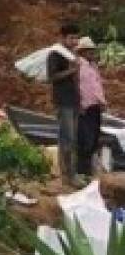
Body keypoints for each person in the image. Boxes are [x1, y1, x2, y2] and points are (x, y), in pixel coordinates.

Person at [48, 24, 82, 186]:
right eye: (71, 38)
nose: (75, 41)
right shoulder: (56, 54)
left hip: (73, 100)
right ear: (62, 37)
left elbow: (76, 81)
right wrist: (71, 70)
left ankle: (71, 174)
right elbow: (52, 77)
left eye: (76, 37)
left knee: (72, 138)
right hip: (63, 101)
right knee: (66, 138)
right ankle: (67, 176)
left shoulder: (72, 55)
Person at [75, 36, 106, 179]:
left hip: (95, 105)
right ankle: (82, 172)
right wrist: (79, 103)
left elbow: (97, 85)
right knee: (84, 139)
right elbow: (77, 87)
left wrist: (102, 101)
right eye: (89, 51)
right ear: (82, 52)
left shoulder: (93, 66)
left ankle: (88, 171)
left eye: (92, 51)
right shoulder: (78, 66)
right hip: (84, 106)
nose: (92, 54)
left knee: (94, 138)